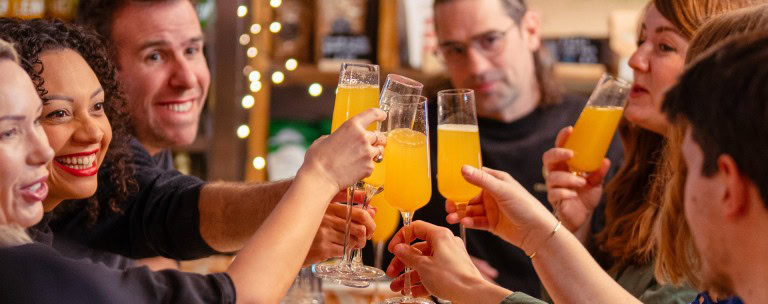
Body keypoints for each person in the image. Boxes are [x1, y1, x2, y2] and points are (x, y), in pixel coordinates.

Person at [384, 30, 768, 304]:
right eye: (639, 41)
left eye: (665, 45)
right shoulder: (634, 185)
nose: (635, 60)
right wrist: (545, 233)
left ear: (729, 185)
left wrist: (471, 289)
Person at [0, 33, 389, 303]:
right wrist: (318, 175)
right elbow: (234, 297)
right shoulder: (23, 267)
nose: (39, 149)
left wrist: (288, 237)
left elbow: (174, 217)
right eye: (55, 114)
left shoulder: (37, 240)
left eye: (193, 49)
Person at [32, 0, 376, 266]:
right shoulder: (92, 160)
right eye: (155, 56)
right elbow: (177, 210)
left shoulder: (151, 144)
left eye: (193, 50)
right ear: (100, 69)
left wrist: (281, 230)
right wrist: (308, 193)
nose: (187, 78)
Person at [414, 0, 623, 295]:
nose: (477, 66)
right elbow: (367, 250)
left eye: (490, 40)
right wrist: (422, 266)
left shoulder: (592, 132)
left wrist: (577, 227)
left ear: (531, 30)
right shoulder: (417, 130)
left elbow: (621, 277)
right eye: (455, 50)